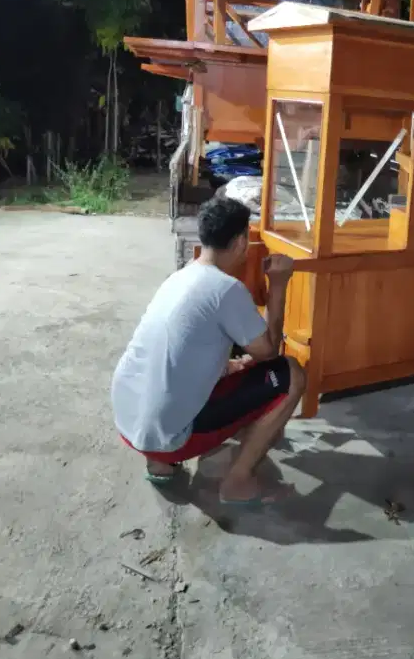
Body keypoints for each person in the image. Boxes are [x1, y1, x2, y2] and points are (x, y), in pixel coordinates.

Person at [111, 196, 306, 506]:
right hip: (170, 438)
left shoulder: (181, 276)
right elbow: (269, 351)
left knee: (236, 369)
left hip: (128, 421)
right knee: (291, 374)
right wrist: (279, 284)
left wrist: (228, 365)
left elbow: (180, 350)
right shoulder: (225, 288)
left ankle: (158, 464)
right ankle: (237, 482)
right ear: (242, 241)